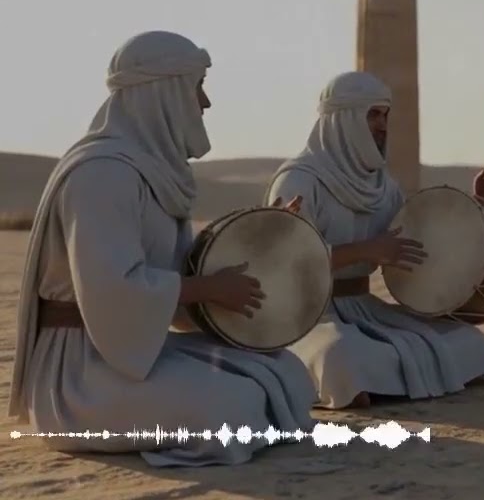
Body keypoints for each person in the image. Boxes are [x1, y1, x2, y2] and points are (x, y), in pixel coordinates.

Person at [8, 31, 316, 467]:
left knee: (287, 371)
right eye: (197, 87)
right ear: (163, 94)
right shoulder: (101, 174)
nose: (205, 103)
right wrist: (207, 289)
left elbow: (183, 277)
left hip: (133, 347)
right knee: (230, 406)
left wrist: (268, 234)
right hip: (80, 373)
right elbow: (112, 291)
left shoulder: (156, 173)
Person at [264, 71, 484, 409]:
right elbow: (287, 263)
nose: (382, 125)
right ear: (343, 120)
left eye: (385, 115)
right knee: (340, 356)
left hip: (364, 307)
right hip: (308, 311)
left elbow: (418, 235)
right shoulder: (298, 181)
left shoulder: (383, 186)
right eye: (373, 115)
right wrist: (366, 251)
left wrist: (478, 204)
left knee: (469, 340)